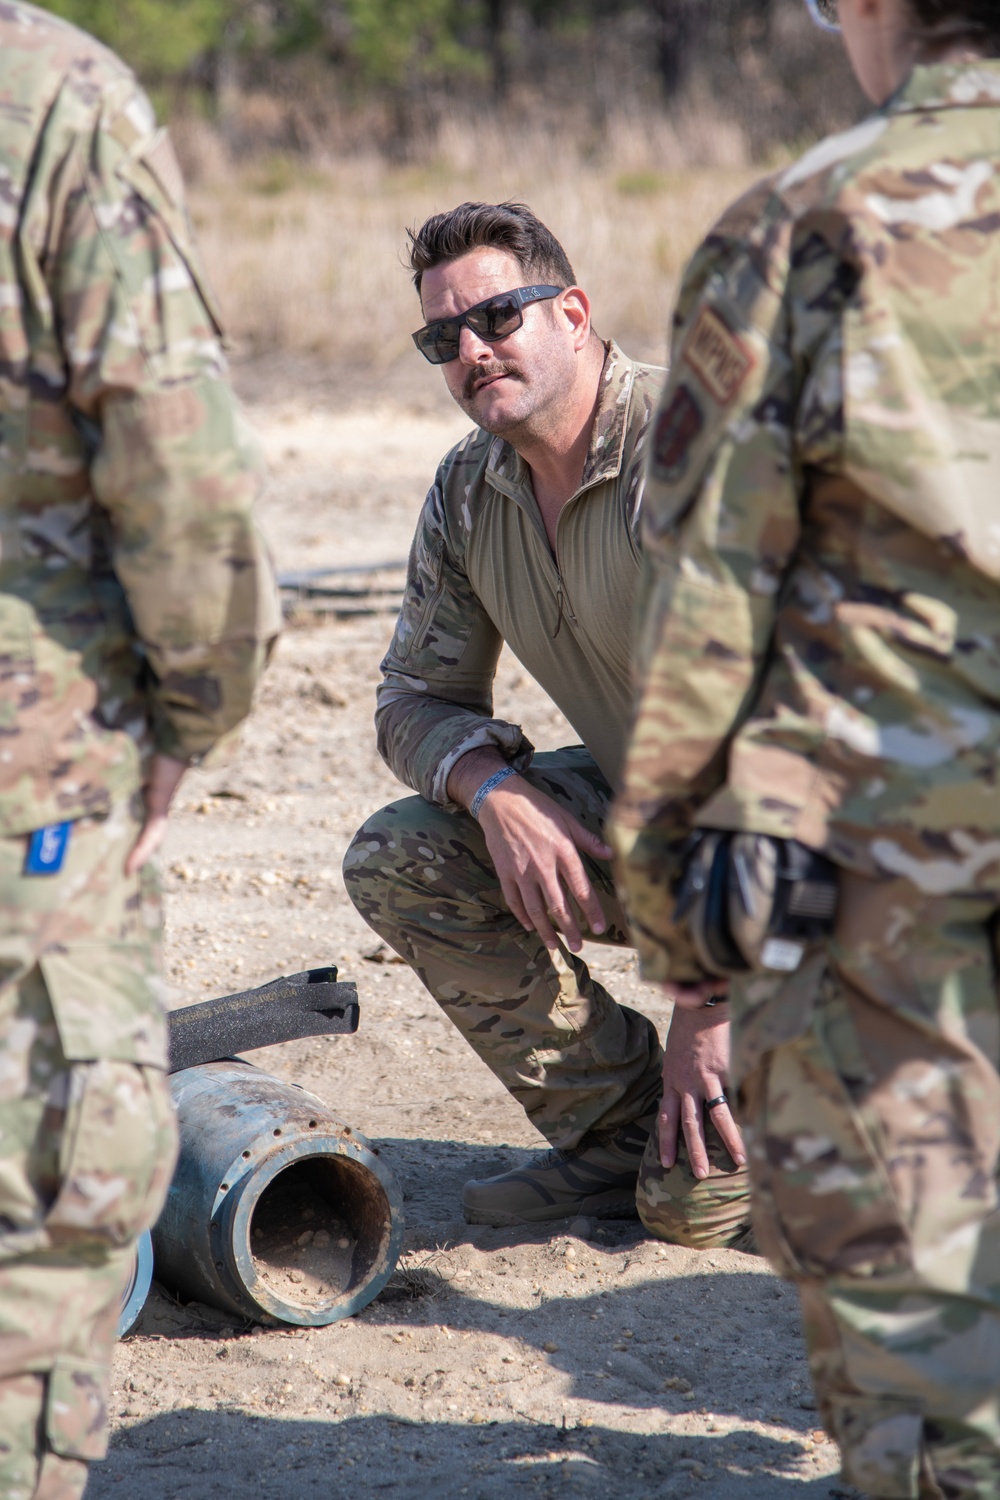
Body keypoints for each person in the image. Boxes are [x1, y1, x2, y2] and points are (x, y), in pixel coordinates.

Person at [611, 0, 1000, 1494]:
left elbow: (711, 596)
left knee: (930, 1373)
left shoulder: (809, 222)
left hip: (889, 890)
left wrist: (682, 938)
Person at [344, 200, 752, 1248]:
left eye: (496, 318)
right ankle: (621, 1137)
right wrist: (494, 791)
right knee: (407, 853)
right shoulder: (469, 489)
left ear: (571, 312)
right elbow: (412, 696)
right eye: (444, 339)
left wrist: (703, 1010)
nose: (471, 352)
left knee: (707, 1221)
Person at [0, 3, 280, 1495]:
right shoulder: (45, 95)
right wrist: (196, 708)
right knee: (46, 1204)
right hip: (27, 781)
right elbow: (170, 441)